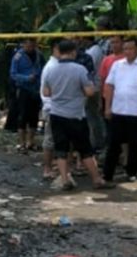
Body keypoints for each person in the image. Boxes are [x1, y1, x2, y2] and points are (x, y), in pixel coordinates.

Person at [41, 39, 110, 191]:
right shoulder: (79, 69)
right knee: (85, 149)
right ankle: (97, 179)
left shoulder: (51, 70)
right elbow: (89, 91)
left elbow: (46, 92)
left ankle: (65, 179)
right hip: (76, 115)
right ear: (73, 52)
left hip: (57, 115)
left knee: (61, 149)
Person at [103, 37, 137, 183]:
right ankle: (107, 174)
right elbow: (109, 86)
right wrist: (107, 107)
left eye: (130, 49)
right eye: (125, 49)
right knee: (113, 144)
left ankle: (131, 172)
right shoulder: (117, 65)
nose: (127, 52)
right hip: (118, 110)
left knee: (134, 144)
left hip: (135, 112)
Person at [9, 38, 43, 152]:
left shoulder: (39, 55)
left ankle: (31, 142)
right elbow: (13, 74)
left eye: (33, 46)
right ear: (23, 45)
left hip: (36, 89)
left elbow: (43, 69)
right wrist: (26, 78)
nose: (31, 48)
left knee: (34, 116)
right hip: (24, 89)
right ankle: (21, 143)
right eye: (28, 46)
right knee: (22, 116)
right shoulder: (18, 57)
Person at [39, 42, 62, 180]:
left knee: (56, 140)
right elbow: (47, 91)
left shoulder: (56, 66)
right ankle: (47, 169)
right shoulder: (52, 67)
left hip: (56, 108)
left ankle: (54, 167)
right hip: (52, 108)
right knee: (50, 140)